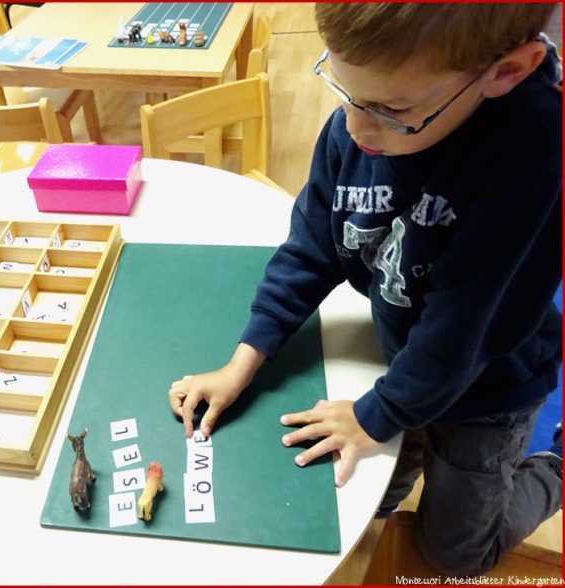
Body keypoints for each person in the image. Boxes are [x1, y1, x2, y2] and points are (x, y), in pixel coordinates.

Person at [168, 3, 562, 576]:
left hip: (489, 391)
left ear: (505, 73)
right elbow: (310, 247)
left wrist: (379, 415)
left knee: (455, 554)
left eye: (390, 109)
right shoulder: (363, 126)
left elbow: (462, 337)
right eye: (344, 90)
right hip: (407, 359)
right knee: (370, 490)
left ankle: (554, 468)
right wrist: (243, 361)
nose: (353, 127)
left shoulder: (530, 160)